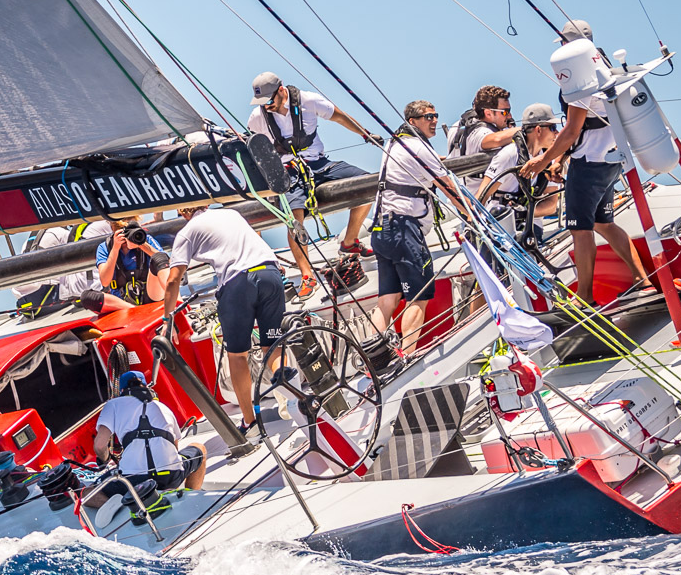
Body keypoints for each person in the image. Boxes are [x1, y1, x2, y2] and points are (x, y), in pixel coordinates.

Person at [519, 19, 653, 302]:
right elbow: (590, 127)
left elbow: (571, 131)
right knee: (604, 223)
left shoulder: (578, 73)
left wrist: (542, 163)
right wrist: (560, 159)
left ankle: (584, 297)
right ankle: (643, 281)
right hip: (611, 161)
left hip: (589, 164)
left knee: (580, 229)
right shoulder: (602, 67)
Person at [248, 72, 381, 298]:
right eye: (263, 102)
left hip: (319, 164)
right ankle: (307, 275)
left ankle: (349, 242)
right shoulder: (257, 118)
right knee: (295, 219)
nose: (267, 106)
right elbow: (256, 151)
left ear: (281, 91)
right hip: (288, 172)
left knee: (368, 185)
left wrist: (365, 134)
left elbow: (339, 116)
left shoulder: (309, 101)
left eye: (270, 100)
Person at [159, 202, 284, 436]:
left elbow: (173, 280)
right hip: (271, 273)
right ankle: (291, 393)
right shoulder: (231, 213)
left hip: (238, 284)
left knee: (237, 356)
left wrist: (169, 319)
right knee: (272, 345)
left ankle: (250, 423)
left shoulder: (187, 232)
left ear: (180, 211)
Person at [367, 100, 480, 359]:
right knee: (419, 295)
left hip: (382, 229)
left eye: (435, 115)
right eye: (427, 116)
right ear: (412, 121)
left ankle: (374, 359)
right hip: (405, 230)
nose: (433, 120)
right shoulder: (417, 145)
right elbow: (445, 184)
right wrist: (470, 215)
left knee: (388, 299)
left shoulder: (394, 143)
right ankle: (406, 356)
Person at [91, 371, 205, 512]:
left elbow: (100, 446)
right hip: (170, 477)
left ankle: (127, 509)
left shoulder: (113, 405)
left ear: (121, 390)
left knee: (89, 492)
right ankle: (188, 500)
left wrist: (105, 460)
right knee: (199, 449)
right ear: (146, 387)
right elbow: (174, 448)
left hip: (134, 481)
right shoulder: (163, 407)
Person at [476, 102, 565, 243]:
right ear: (538, 130)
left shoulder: (550, 161)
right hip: (501, 223)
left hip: (531, 225)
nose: (557, 133)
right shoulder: (509, 155)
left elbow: (551, 205)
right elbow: (482, 195)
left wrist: (523, 212)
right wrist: (473, 230)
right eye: (553, 128)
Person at [446, 84, 518, 191]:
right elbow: (495, 140)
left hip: (459, 198)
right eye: (505, 112)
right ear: (488, 113)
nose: (510, 116)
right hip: (481, 201)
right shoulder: (480, 132)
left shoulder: (458, 126)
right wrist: (527, 129)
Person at [94, 217, 171, 307]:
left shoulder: (145, 239)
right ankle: (133, 308)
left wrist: (141, 244)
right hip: (122, 301)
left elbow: (167, 263)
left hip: (150, 294)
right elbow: (105, 282)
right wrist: (115, 249)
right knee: (88, 297)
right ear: (113, 230)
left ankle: (175, 300)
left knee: (158, 258)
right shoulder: (104, 247)